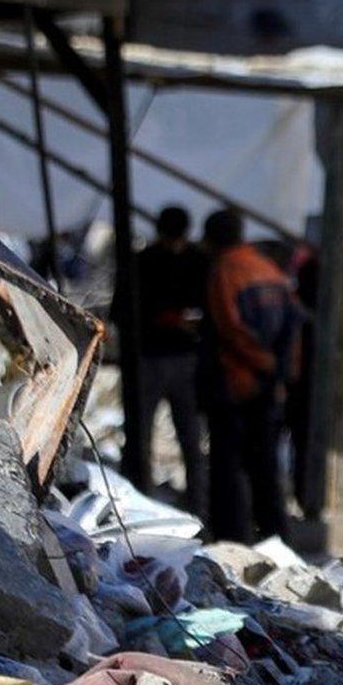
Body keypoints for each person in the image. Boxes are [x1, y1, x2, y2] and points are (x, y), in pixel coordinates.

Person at [202, 209, 301, 544]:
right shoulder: (268, 269)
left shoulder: (225, 271)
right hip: (268, 385)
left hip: (237, 381)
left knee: (228, 468)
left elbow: (230, 328)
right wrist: (281, 371)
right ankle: (276, 537)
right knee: (266, 467)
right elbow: (293, 325)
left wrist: (263, 363)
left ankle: (233, 539)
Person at [131, 205, 210, 516]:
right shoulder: (152, 261)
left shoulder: (148, 261)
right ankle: (145, 504)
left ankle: (194, 508)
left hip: (169, 358)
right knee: (149, 438)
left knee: (186, 440)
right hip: (166, 357)